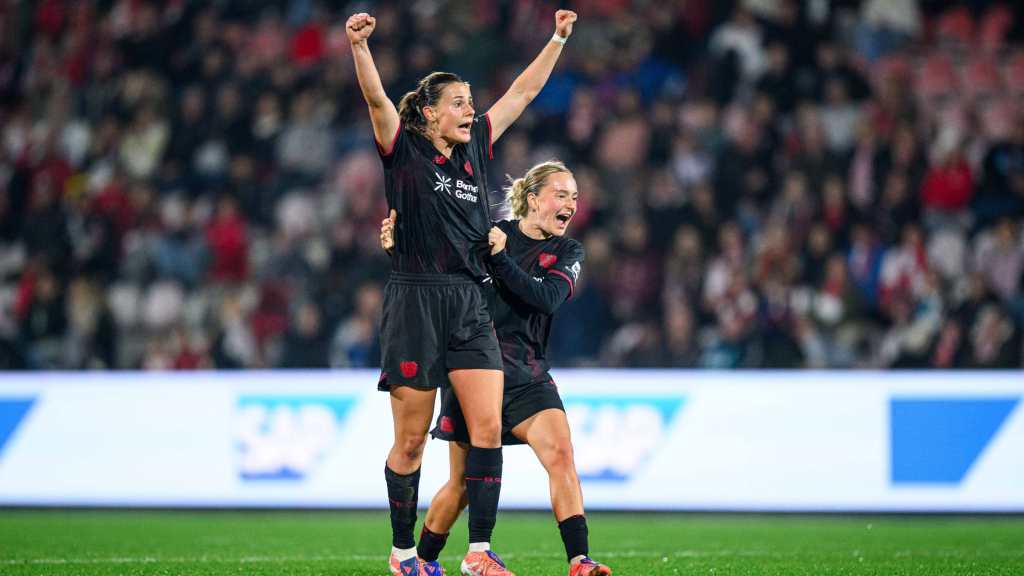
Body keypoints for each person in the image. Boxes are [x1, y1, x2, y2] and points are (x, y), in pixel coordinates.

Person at [345, 10, 578, 576]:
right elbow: (377, 100)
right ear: (429, 113)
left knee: (487, 429)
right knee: (410, 444)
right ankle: (404, 554)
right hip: (415, 299)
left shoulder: (476, 151)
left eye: (472, 101)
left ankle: (478, 553)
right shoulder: (404, 150)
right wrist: (359, 47)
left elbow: (522, 92)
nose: (471, 109)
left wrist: (557, 38)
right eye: (459, 102)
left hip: (469, 301)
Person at [381, 161, 611, 576]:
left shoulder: (567, 252)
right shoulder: (489, 234)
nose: (571, 204)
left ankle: (580, 560)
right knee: (462, 486)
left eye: (574, 197)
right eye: (561, 194)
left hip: (528, 374)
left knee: (561, 455)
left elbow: (547, 298)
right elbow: (439, 267)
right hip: (474, 369)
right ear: (533, 198)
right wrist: (399, 248)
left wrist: (501, 260)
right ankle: (425, 560)